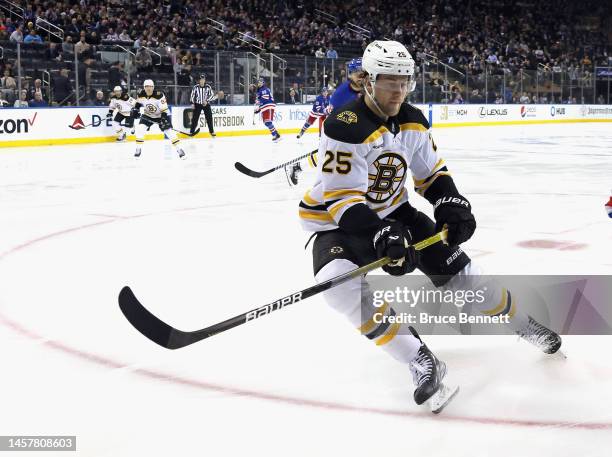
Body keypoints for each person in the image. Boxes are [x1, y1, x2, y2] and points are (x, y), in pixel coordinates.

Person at [298, 40, 562, 409]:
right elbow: (342, 200)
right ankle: (419, 358)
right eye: (390, 81)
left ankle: (521, 322)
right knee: (338, 285)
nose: (399, 90)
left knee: (466, 280)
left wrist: (450, 202)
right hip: (336, 222)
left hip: (395, 212)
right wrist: (379, 233)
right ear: (369, 81)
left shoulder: (413, 121)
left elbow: (431, 174)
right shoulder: (345, 125)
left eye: (405, 81)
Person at [132, 79, 185, 159]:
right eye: (146, 86)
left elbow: (164, 110)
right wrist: (136, 110)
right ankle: (138, 149)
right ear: (144, 87)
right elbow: (138, 103)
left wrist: (163, 119)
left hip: (161, 115)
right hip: (147, 115)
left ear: (153, 87)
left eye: (150, 86)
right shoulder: (141, 94)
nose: (148, 88)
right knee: (140, 129)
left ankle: (180, 149)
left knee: (169, 132)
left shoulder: (159, 95)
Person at [254, 77, 280, 142]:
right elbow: (263, 101)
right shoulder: (260, 90)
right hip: (265, 107)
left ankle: (275, 136)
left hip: (268, 106)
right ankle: (277, 135)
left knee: (268, 122)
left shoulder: (264, 89)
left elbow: (265, 99)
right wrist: (259, 109)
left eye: (261, 82)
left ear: (263, 83)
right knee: (266, 123)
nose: (259, 83)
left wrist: (258, 104)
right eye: (258, 82)